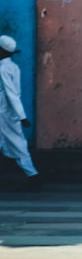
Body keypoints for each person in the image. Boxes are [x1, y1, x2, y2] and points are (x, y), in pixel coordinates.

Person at [0, 34, 41, 192]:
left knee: (17, 145)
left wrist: (22, 116)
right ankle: (32, 175)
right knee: (19, 145)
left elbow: (11, 94)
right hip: (9, 114)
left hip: (5, 114)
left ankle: (33, 176)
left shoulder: (3, 69)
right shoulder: (14, 67)